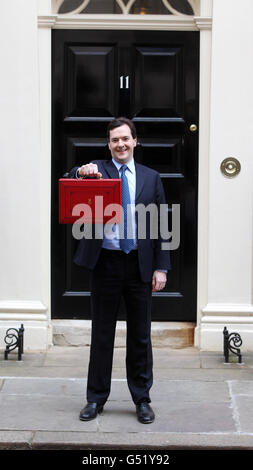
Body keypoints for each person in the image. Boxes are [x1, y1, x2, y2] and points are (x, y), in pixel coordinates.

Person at [68, 117, 171, 423]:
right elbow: (69, 179)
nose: (120, 144)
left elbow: (162, 225)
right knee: (102, 334)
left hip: (140, 264)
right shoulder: (97, 170)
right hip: (106, 264)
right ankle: (95, 399)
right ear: (108, 144)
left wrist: (161, 267)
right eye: (114, 140)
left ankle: (142, 399)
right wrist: (79, 171)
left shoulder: (152, 178)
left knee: (140, 336)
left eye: (125, 139)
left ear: (135, 141)